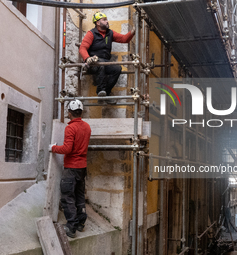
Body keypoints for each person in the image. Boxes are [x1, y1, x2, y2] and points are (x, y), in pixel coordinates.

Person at [49, 99, 91, 238]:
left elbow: (67, 148)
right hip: (82, 167)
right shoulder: (87, 127)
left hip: (71, 167)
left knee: (67, 197)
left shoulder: (70, 128)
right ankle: (80, 223)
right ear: (80, 112)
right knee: (79, 195)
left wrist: (53, 148)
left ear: (69, 112)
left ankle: (71, 227)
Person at [79, 12, 135, 104]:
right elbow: (82, 48)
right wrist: (87, 58)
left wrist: (133, 31)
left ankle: (106, 93)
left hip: (104, 62)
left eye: (106, 19)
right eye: (104, 20)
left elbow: (124, 39)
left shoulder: (110, 33)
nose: (107, 21)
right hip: (93, 63)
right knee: (101, 64)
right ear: (97, 23)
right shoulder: (91, 33)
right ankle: (100, 92)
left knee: (117, 69)